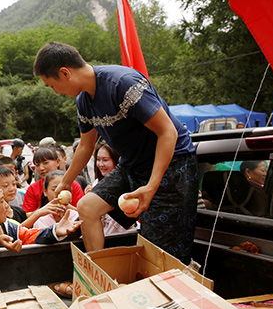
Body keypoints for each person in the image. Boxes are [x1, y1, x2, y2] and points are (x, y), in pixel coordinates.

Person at [34, 41, 197, 262]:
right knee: (87, 207)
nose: (55, 92)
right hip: (132, 165)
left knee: (157, 250)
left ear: (65, 73)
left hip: (172, 164)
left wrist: (151, 187)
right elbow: (85, 146)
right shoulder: (83, 101)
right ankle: (100, 274)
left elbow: (168, 132)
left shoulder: (123, 84)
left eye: (51, 85)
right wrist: (65, 182)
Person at [0, 182, 82, 243]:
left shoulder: (11, 227)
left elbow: (32, 235)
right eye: (2, 201)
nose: (7, 206)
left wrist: (55, 230)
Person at [22, 147, 84, 214]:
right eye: (37, 165)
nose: (41, 168)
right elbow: (27, 215)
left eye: (45, 163)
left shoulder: (72, 185)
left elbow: (82, 212)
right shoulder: (33, 188)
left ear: (57, 162)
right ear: (45, 191)